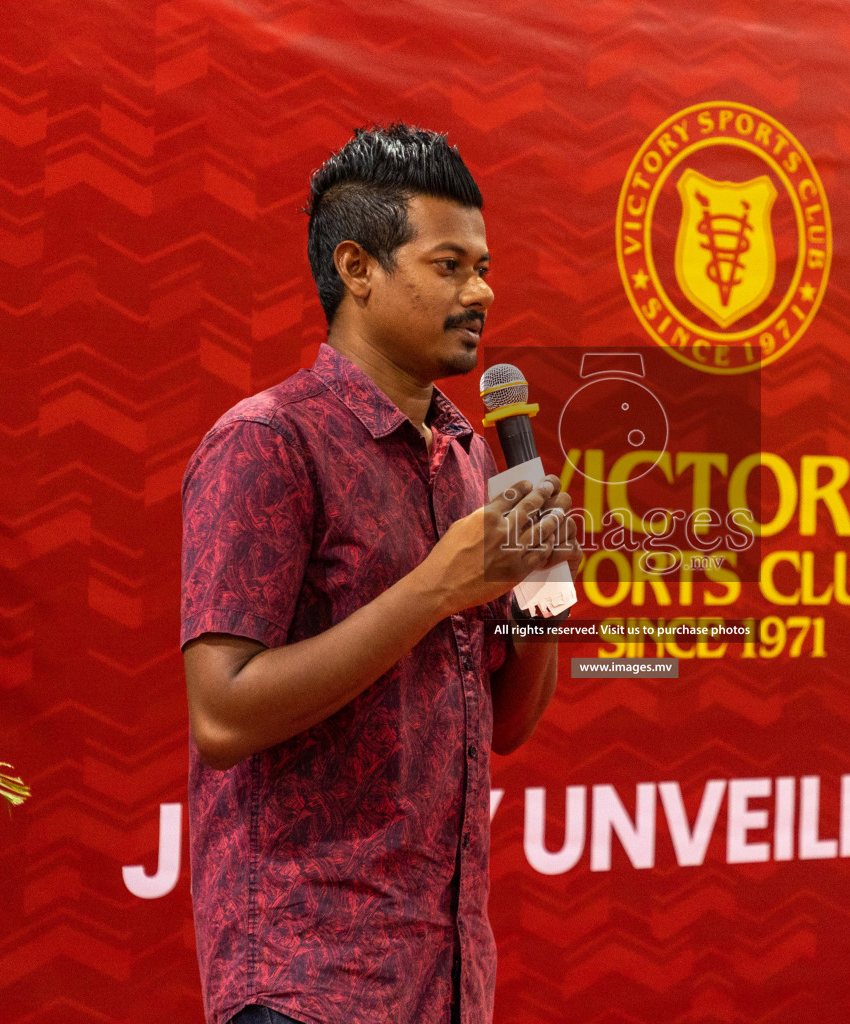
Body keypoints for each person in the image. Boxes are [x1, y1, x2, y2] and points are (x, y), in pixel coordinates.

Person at [179, 124, 579, 1024]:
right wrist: (438, 585)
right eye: (448, 265)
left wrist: (538, 598)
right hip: (303, 982)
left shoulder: (473, 458)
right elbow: (221, 712)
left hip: (445, 982)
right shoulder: (268, 442)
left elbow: (508, 726)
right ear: (357, 268)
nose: (480, 291)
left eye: (483, 266)